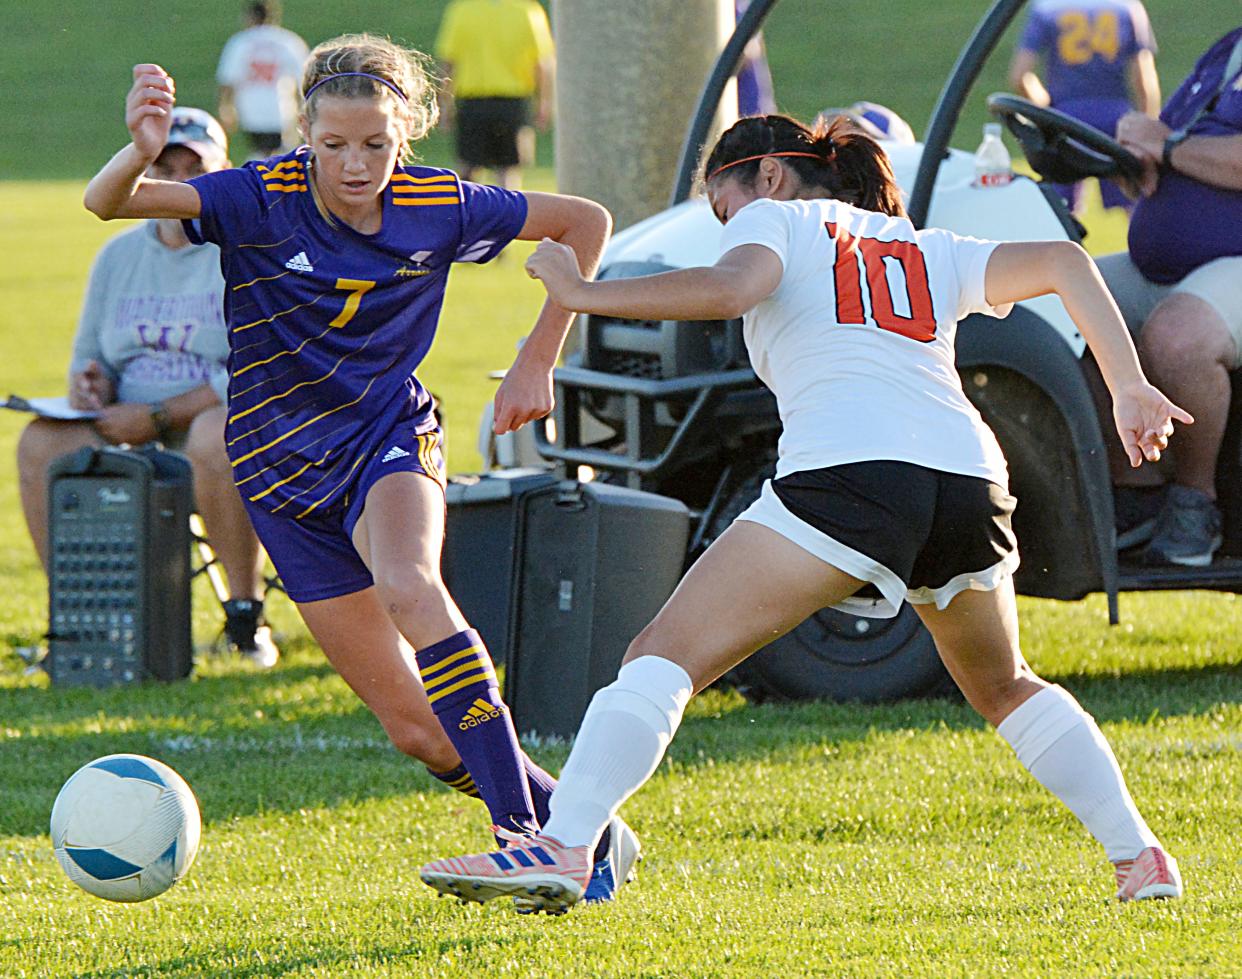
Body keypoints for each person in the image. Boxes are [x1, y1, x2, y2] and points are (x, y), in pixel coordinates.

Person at [419, 113, 1190, 912]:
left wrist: (584, 291)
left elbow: (732, 288)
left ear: (769, 176)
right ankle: (1141, 855)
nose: (729, 228)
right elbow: (1067, 260)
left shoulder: (774, 216)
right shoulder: (922, 244)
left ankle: (566, 843)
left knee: (663, 653)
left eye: (724, 209)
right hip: (967, 480)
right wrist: (1127, 384)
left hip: (852, 472)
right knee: (1005, 687)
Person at [84, 33, 639, 902]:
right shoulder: (259, 195)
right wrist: (141, 150)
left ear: (407, 131)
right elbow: (106, 201)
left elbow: (584, 221)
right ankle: (581, 831)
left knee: (413, 585)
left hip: (385, 436)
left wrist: (541, 354)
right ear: (303, 130)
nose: (355, 164)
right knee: (416, 731)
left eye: (376, 144)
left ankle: (523, 837)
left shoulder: (440, 202)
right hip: (276, 474)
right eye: (335, 144)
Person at [18, 107, 279, 668]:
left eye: (194, 166)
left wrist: (160, 416)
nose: (178, 181)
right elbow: (90, 357)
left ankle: (244, 614)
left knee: (215, 436)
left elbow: (254, 372)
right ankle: (75, 618)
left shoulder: (244, 254)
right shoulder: (119, 255)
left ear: (223, 172)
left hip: (214, 418)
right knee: (40, 442)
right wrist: (91, 386)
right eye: (165, 166)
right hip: (128, 417)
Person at [1097, 26, 1242, 566]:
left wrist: (1170, 146)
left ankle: (1194, 503)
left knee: (1177, 336)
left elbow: (1181, 145)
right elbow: (1174, 141)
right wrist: (1141, 153)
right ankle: (1137, 490)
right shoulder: (1227, 47)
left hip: (1232, 264)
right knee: (1060, 302)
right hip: (1177, 265)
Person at [1009, 0, 1160, 212]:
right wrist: (1147, 123)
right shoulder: (1126, 7)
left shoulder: (1047, 7)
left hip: (1065, 118)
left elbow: (1020, 75)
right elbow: (1143, 75)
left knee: (1060, 211)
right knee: (1135, 206)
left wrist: (1044, 108)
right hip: (1117, 118)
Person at [434, 0, 554, 189]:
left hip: (473, 101)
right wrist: (544, 102)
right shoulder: (528, 11)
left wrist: (444, 104)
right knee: (508, 171)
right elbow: (542, 63)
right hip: (513, 101)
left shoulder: (463, 10)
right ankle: (510, 217)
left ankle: (465, 215)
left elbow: (449, 62)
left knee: (467, 169)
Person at [217, 0, 310, 159]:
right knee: (282, 155)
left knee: (261, 154)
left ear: (250, 17)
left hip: (250, 110)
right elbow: (305, 76)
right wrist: (304, 107)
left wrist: (225, 107)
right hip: (279, 109)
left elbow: (228, 79)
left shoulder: (241, 42)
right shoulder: (288, 41)